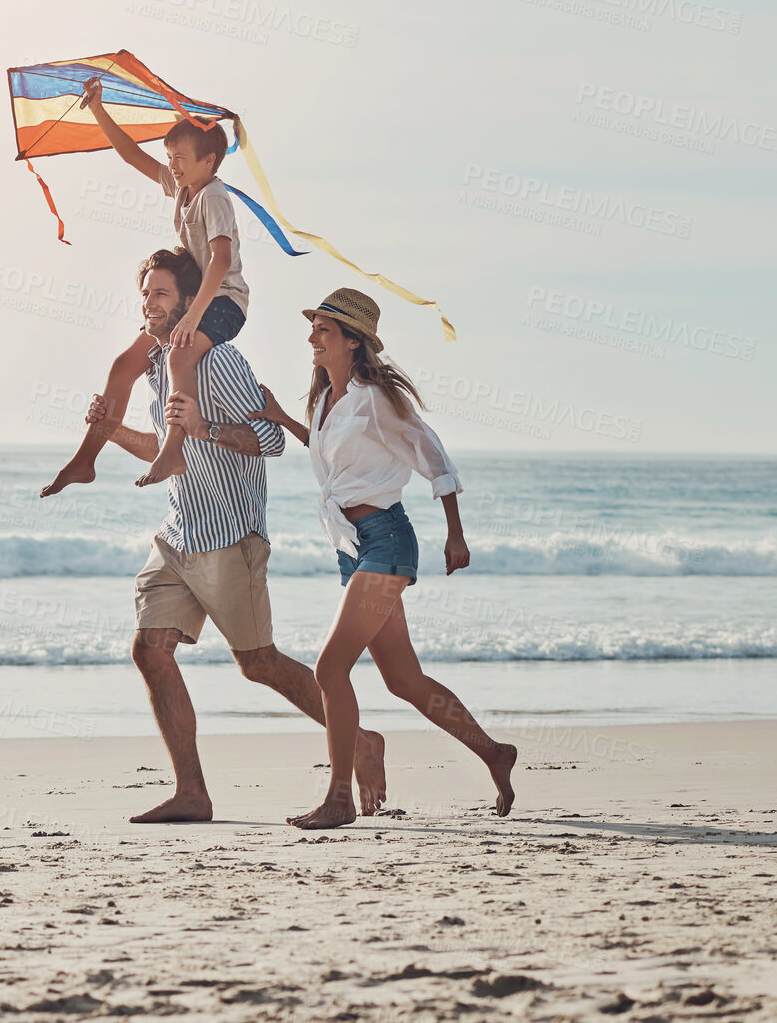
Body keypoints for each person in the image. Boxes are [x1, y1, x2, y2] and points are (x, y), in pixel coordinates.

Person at [77, 250, 387, 822]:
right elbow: (167, 447)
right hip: (178, 531)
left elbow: (269, 441)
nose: (150, 303)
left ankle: (362, 742)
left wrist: (207, 427)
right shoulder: (155, 366)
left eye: (162, 294)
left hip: (230, 535)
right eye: (145, 293)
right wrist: (110, 429)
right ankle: (192, 792)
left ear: (192, 303)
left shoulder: (218, 361)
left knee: (258, 663)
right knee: (150, 650)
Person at [250, 287, 517, 829]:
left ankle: (339, 799)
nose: (312, 337)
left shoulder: (377, 398)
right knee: (404, 680)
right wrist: (281, 416)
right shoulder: (326, 400)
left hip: (386, 540)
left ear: (353, 341)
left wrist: (455, 534)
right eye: (315, 328)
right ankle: (494, 752)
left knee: (330, 668)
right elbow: (332, 462)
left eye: (324, 330)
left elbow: (432, 454)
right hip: (354, 546)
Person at [40, 77, 250, 494]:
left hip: (224, 302)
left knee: (177, 357)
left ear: (209, 161)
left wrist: (191, 316)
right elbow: (132, 155)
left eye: (181, 157)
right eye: (169, 156)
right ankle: (85, 459)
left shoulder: (214, 196)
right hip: (193, 300)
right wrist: (99, 109)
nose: (171, 164)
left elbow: (222, 261)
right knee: (123, 367)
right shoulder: (184, 187)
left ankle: (173, 448)